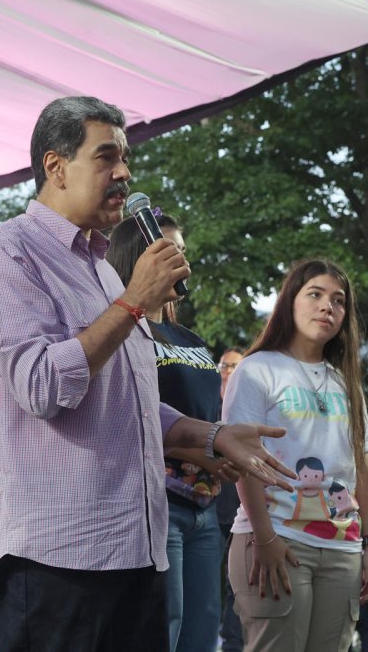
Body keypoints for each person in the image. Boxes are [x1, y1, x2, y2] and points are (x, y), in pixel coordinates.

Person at [0, 95, 295, 652]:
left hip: (136, 550)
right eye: (106, 157)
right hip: (56, 556)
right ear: (56, 167)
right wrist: (136, 300)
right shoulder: (6, 253)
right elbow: (42, 384)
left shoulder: (104, 275)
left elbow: (130, 401)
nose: (124, 173)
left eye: (126, 159)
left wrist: (209, 436)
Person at [225, 258, 368, 652]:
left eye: (338, 300)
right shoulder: (257, 369)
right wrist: (264, 538)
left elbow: (361, 465)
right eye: (315, 294)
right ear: (290, 301)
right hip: (276, 538)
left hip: (343, 547)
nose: (328, 306)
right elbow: (244, 459)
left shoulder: (346, 382)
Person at [106, 213, 233, 651]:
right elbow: (127, 414)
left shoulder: (190, 338)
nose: (182, 260)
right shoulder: (122, 331)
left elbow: (212, 412)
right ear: (137, 258)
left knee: (203, 631)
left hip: (205, 506)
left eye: (183, 250)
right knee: (166, 626)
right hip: (156, 501)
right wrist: (208, 452)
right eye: (170, 249)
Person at [216, 348, 247, 652]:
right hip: (209, 509)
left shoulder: (248, 407)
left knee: (236, 590)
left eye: (234, 366)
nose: (227, 370)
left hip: (240, 511)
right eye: (224, 365)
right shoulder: (209, 405)